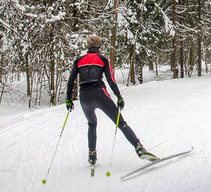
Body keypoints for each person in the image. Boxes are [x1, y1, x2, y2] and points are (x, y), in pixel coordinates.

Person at [65, 34, 156, 165]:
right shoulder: (103, 59)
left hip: (84, 96)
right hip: (99, 94)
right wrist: (119, 97)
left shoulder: (79, 60)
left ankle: (92, 155)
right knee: (121, 122)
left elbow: (71, 81)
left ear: (88, 46)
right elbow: (111, 80)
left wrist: (68, 99)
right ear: (99, 46)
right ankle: (139, 148)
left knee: (91, 124)